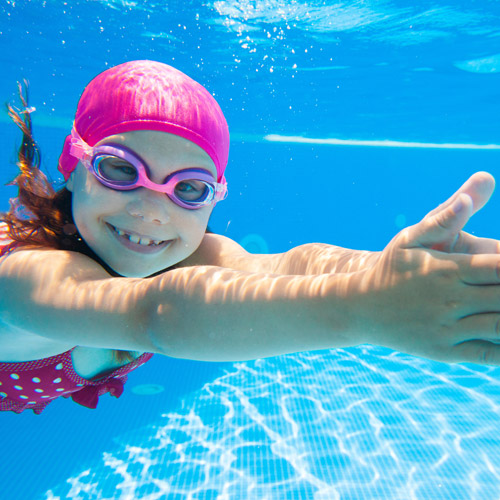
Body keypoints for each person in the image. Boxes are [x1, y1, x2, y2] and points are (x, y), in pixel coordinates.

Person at [1, 60, 500, 415]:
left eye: (188, 188)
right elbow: (149, 313)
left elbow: (290, 267)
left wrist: (406, 274)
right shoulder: (24, 273)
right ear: (73, 165)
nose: (151, 210)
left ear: (214, 197)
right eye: (119, 169)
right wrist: (364, 309)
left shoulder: (187, 253)